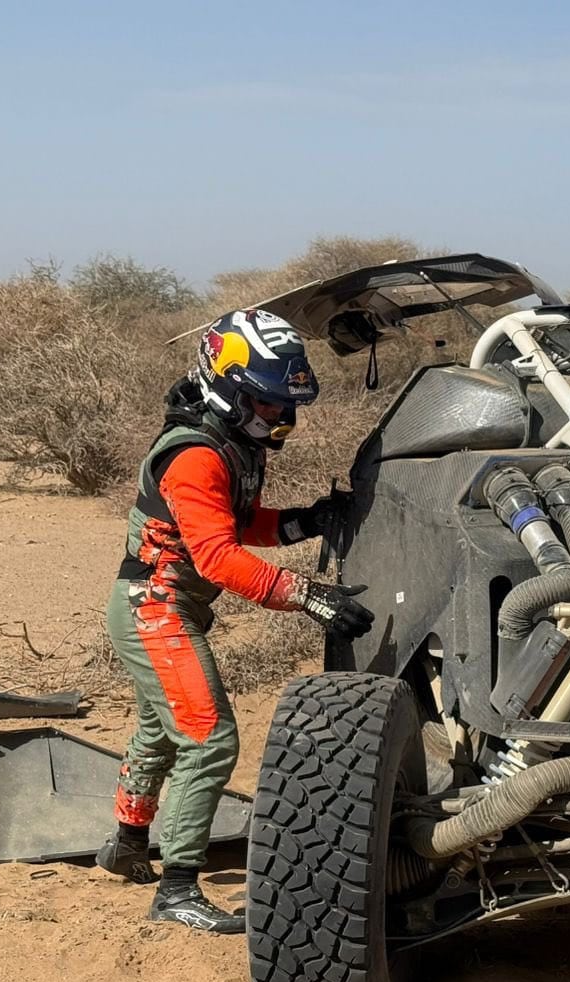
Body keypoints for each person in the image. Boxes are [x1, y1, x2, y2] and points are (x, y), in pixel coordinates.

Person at [93, 308, 373, 933]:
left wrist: (302, 521)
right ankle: (177, 888)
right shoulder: (196, 456)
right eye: (271, 406)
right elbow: (218, 558)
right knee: (209, 736)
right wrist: (310, 596)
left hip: (161, 605)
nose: (284, 420)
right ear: (231, 388)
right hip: (156, 607)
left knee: (160, 729)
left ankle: (126, 845)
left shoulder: (227, 445)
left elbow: (228, 525)